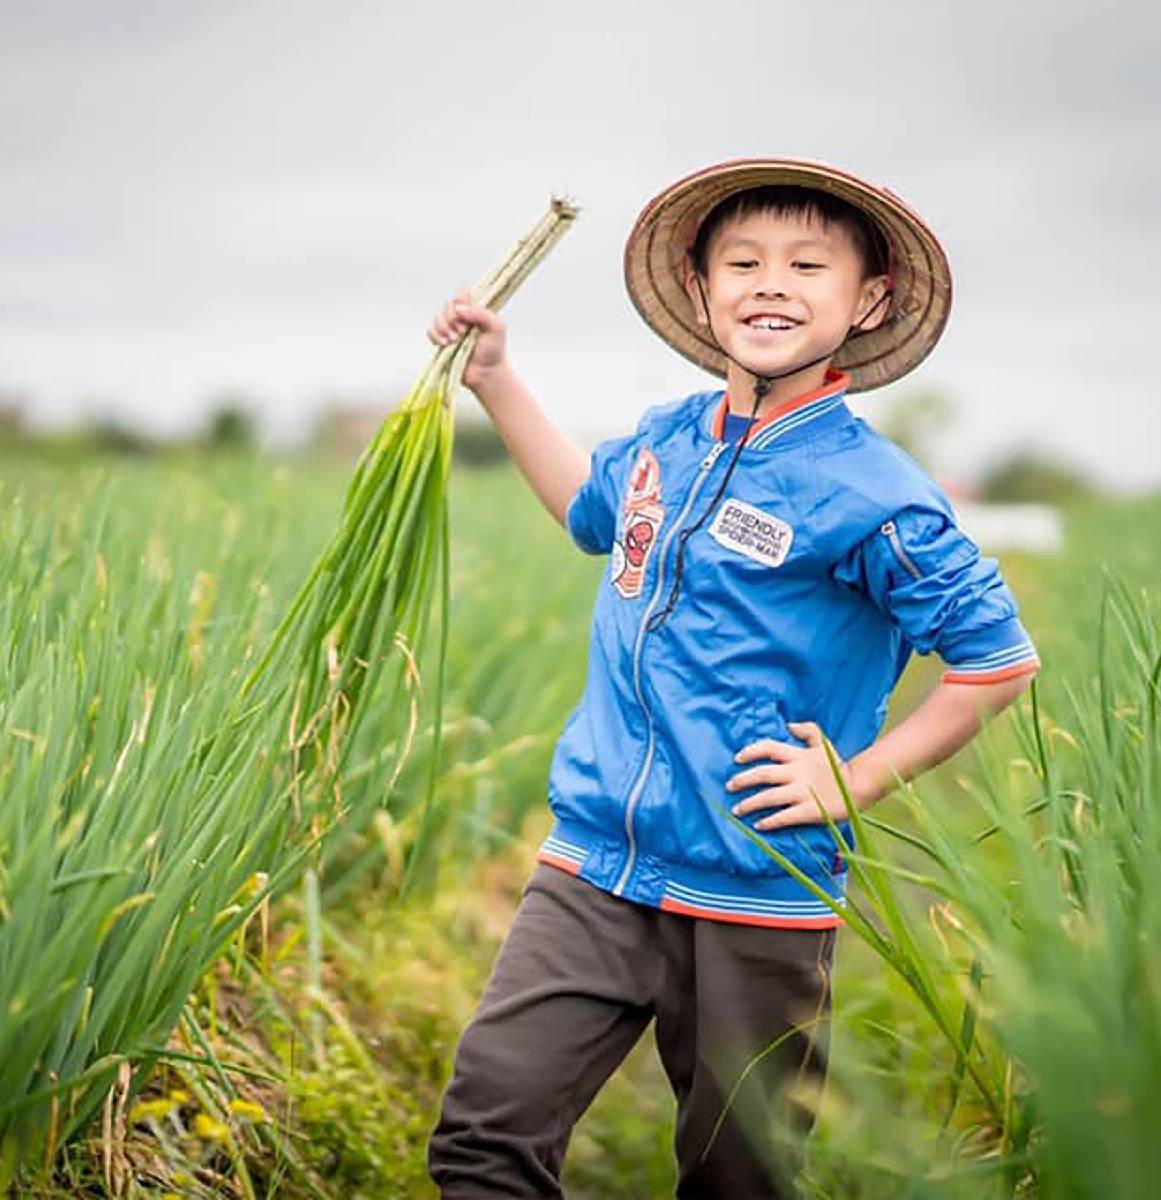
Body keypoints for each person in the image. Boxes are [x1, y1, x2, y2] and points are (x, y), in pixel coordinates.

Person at [423, 157, 1041, 1199]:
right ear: (704, 290)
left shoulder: (875, 492)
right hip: (596, 864)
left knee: (739, 1176)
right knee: (486, 1131)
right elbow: (591, 513)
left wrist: (855, 780)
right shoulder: (668, 438)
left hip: (759, 887)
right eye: (743, 262)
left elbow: (997, 660)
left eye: (809, 265)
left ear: (868, 300)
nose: (771, 283)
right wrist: (493, 378)